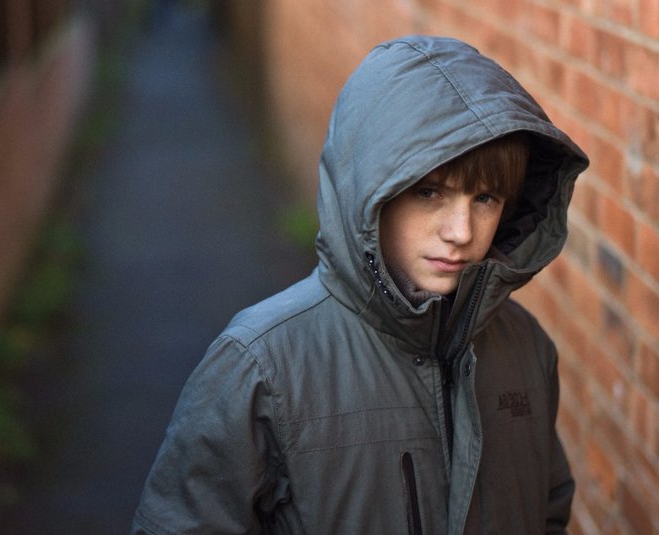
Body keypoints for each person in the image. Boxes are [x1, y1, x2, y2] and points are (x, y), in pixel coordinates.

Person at [131, 35, 589, 534]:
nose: (461, 232)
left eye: (485, 198)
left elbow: (547, 510)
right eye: (429, 192)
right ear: (370, 193)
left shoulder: (523, 345)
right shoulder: (260, 365)